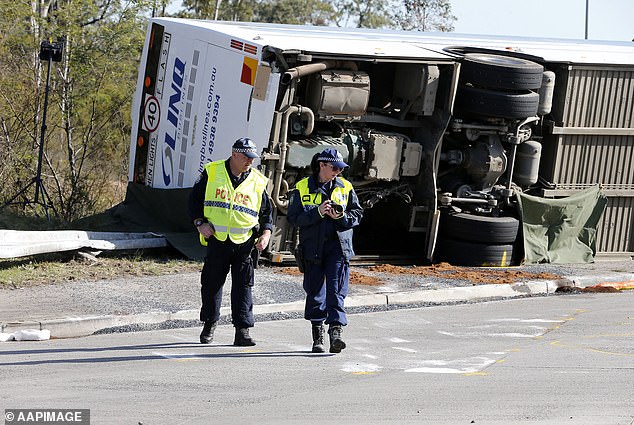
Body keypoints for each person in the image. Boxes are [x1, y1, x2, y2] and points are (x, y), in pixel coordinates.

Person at [188, 137, 272, 346]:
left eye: (252, 158)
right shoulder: (212, 171)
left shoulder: (258, 180)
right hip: (217, 239)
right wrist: (200, 223)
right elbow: (194, 201)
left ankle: (242, 331)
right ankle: (209, 325)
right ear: (234, 154)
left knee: (243, 287)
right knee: (211, 285)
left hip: (245, 243)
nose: (250, 162)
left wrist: (266, 234)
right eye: (246, 157)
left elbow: (267, 214)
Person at [287, 148, 363, 353]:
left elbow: (357, 214)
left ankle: (336, 332)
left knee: (336, 289)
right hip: (313, 247)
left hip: (338, 246)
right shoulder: (302, 187)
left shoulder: (345, 187)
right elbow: (293, 219)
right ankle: (317, 334)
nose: (338, 171)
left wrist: (341, 217)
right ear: (322, 165)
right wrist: (318, 213)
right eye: (334, 167)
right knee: (314, 291)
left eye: (340, 168)